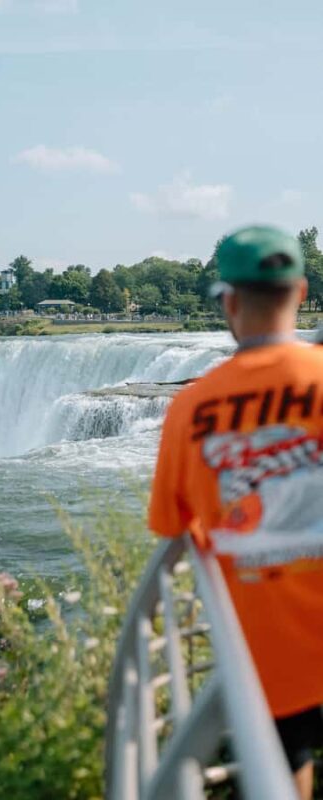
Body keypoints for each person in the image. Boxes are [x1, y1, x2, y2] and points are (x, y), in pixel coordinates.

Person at [149, 225, 323, 800]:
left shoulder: (190, 408)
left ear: (228, 300)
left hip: (270, 650)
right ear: (299, 293)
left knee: (283, 761)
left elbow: (172, 527)